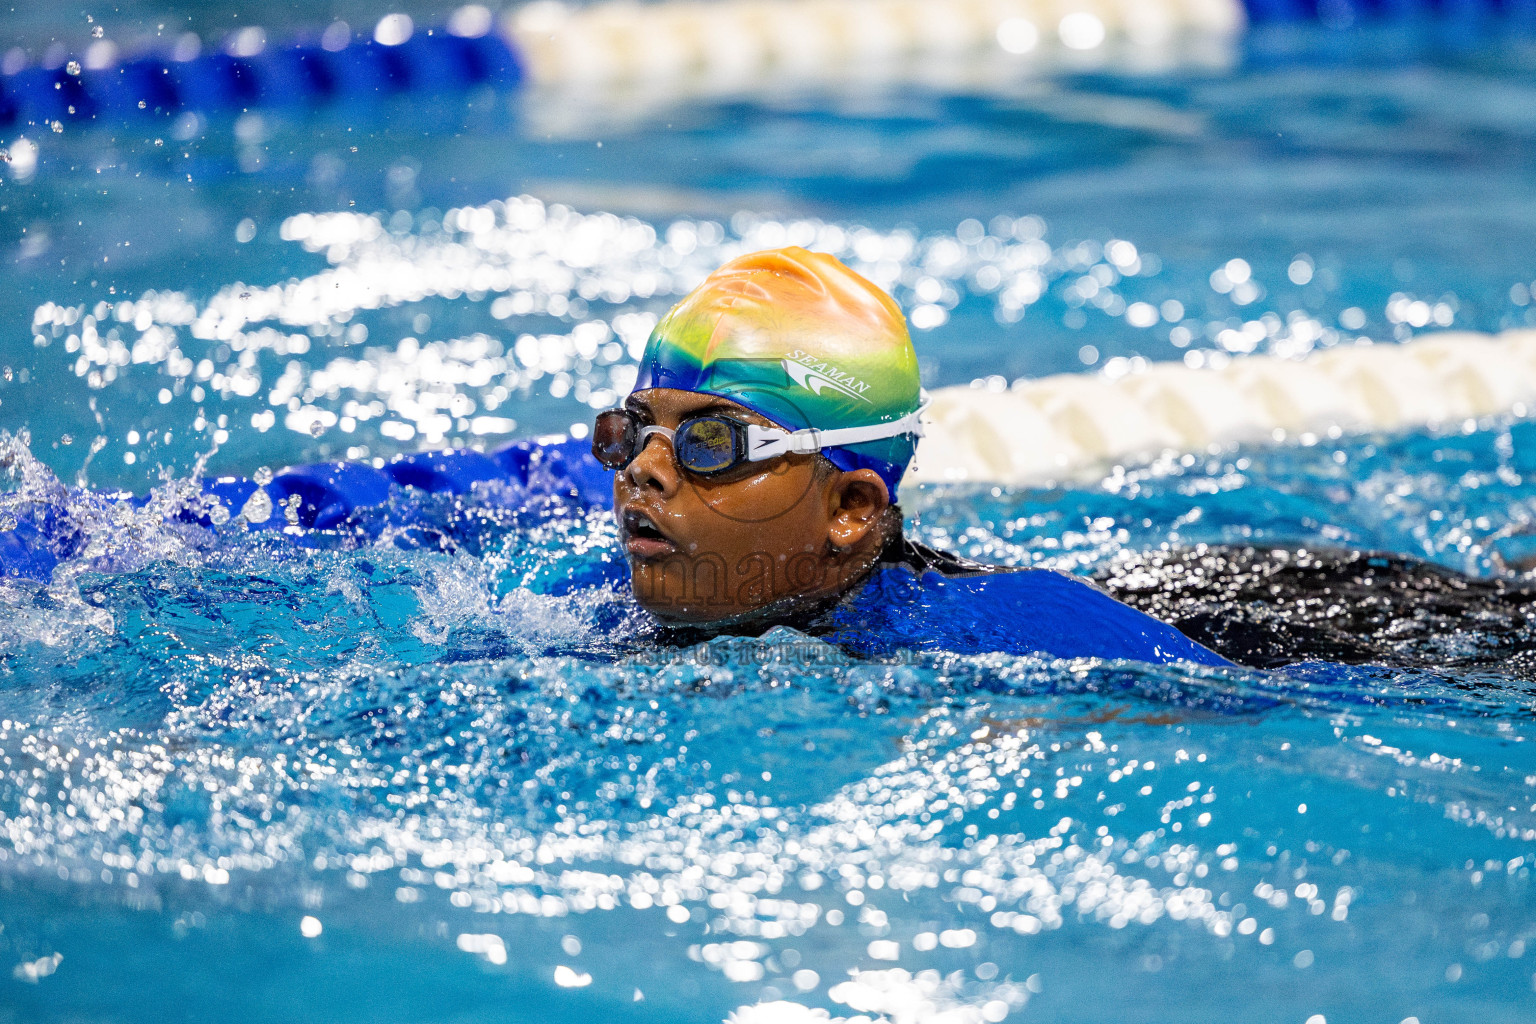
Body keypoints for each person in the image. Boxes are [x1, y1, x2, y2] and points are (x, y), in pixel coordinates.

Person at [591, 246, 1231, 667]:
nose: (643, 470)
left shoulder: (1032, 637)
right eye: (635, 432)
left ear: (851, 506)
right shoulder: (584, 604)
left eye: (710, 444)